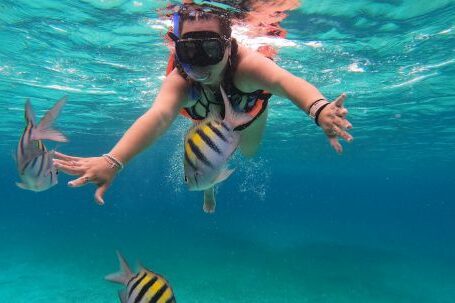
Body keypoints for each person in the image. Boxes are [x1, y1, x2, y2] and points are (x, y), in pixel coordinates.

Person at [53, 3, 353, 205]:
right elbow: (158, 117)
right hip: (205, 118)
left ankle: (209, 182)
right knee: (205, 149)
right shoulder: (181, 80)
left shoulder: (248, 66)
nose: (198, 64)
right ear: (176, 46)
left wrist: (319, 109)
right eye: (188, 50)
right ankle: (208, 187)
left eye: (209, 48)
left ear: (228, 44)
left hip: (249, 114)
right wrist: (113, 160)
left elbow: (286, 83)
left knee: (248, 153)